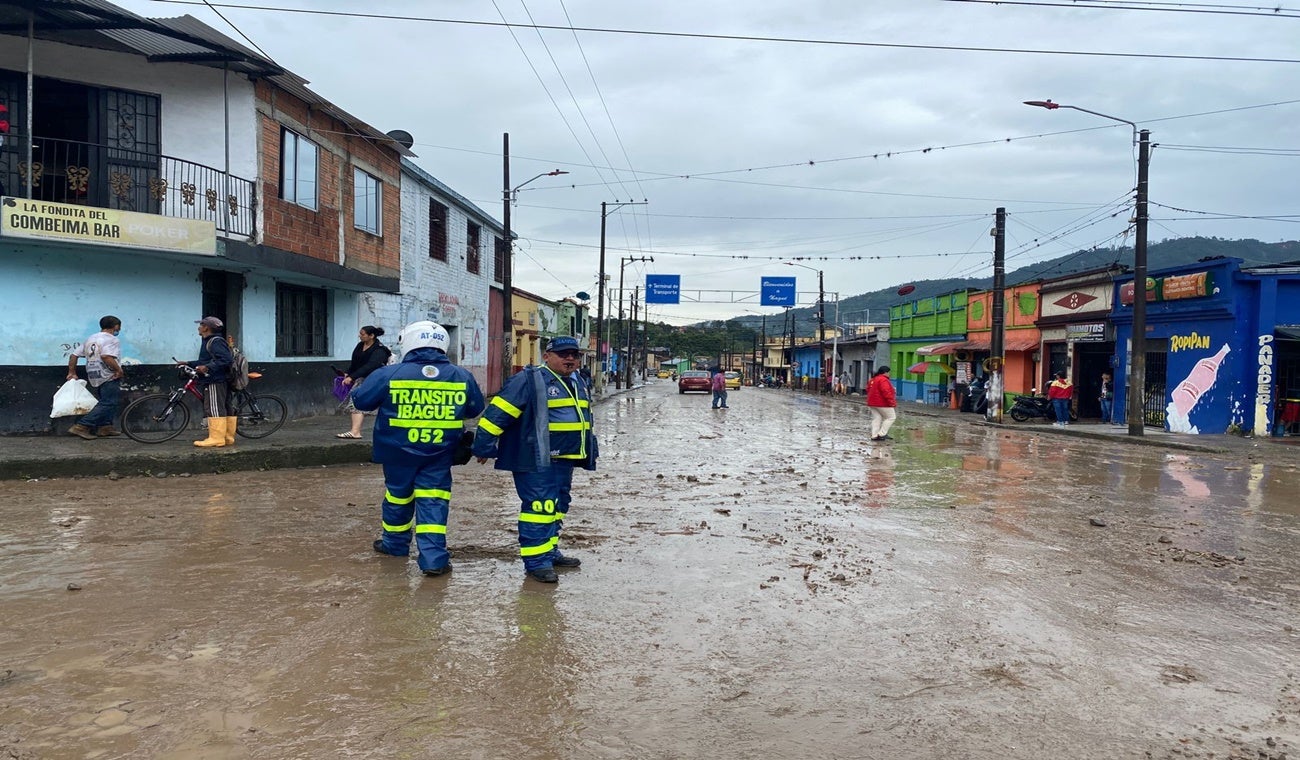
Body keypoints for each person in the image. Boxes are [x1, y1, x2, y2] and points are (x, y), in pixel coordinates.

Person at [353, 321, 485, 577]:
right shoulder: (462, 376)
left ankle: (394, 546)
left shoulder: (388, 374)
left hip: (397, 454)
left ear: (409, 343)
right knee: (434, 502)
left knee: (397, 498)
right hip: (440, 454)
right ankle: (434, 560)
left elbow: (362, 401)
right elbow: (474, 408)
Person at [472, 336, 598, 584]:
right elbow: (497, 414)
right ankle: (536, 562)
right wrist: (484, 446)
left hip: (565, 459)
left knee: (557, 506)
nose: (570, 358)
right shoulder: (529, 380)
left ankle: (549, 552)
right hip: (536, 459)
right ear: (547, 356)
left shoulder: (578, 381)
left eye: (575, 354)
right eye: (563, 354)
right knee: (539, 509)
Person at [66, 315, 124, 440]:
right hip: (108, 375)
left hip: (93, 375)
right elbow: (106, 356)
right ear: (116, 326)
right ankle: (81, 426)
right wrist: (118, 370)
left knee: (107, 401)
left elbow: (74, 355)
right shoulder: (112, 339)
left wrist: (72, 372)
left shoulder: (90, 339)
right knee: (108, 403)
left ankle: (105, 427)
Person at [181, 316, 235, 447]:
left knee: (214, 408)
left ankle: (216, 438)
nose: (198, 327)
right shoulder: (208, 341)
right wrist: (189, 363)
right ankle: (227, 437)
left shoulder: (215, 342)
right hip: (215, 378)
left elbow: (226, 359)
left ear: (206, 327)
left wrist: (208, 367)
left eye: (201, 325)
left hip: (215, 379)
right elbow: (205, 360)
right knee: (223, 407)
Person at [337, 326, 392, 439]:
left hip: (375, 380)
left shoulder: (380, 350)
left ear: (371, 336)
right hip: (362, 378)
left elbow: (370, 366)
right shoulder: (360, 346)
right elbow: (355, 362)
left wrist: (352, 377)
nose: (360, 336)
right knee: (356, 402)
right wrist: (348, 373)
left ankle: (356, 431)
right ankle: (355, 431)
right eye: (360, 333)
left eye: (362, 334)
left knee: (359, 401)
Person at [866, 365, 897, 442]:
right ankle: (882, 434)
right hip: (882, 403)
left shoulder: (873, 379)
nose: (890, 374)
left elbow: (868, 389)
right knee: (891, 417)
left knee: (877, 418)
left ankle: (874, 435)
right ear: (885, 372)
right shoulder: (883, 380)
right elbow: (886, 391)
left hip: (872, 402)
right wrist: (892, 402)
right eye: (889, 372)